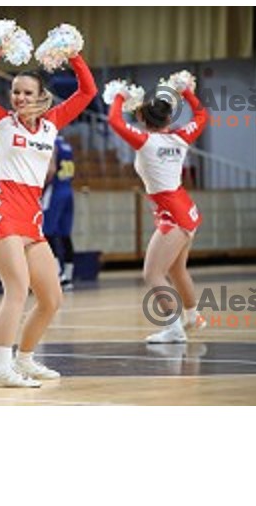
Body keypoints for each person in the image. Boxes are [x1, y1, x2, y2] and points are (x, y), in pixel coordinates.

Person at [0, 46, 96, 387]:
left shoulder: (52, 124)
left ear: (40, 97)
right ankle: (1, 370)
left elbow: (88, 92)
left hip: (32, 218)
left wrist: (74, 55)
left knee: (51, 299)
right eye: (15, 91)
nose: (19, 97)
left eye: (26, 92)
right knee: (17, 291)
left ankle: (26, 360)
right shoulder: (1, 121)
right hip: (4, 211)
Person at [107, 77, 208, 344]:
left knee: (152, 273)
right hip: (185, 210)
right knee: (176, 270)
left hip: (172, 215)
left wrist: (119, 96)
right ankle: (192, 316)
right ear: (167, 118)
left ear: (141, 117)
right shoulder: (181, 137)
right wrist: (186, 90)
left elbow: (115, 122)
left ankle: (174, 329)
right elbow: (202, 114)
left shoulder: (145, 142)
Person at [42, 134, 76, 291]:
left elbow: (51, 169)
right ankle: (68, 276)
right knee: (65, 234)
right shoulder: (66, 143)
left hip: (55, 191)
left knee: (47, 232)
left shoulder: (51, 142)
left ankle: (56, 274)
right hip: (68, 189)